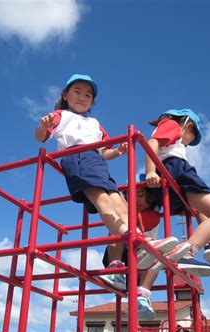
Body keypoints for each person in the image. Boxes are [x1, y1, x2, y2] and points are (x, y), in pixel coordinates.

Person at [35, 74, 132, 289]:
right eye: (77, 92)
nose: (82, 97)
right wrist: (44, 125)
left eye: (88, 95)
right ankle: (133, 240)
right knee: (104, 202)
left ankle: (117, 262)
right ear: (66, 95)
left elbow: (104, 150)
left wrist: (117, 151)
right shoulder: (61, 115)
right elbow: (41, 137)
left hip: (97, 161)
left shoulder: (95, 123)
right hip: (77, 156)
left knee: (122, 205)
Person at [145, 109, 210, 276]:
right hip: (176, 169)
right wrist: (150, 172)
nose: (188, 143)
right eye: (191, 138)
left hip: (170, 176)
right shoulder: (172, 126)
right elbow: (152, 143)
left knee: (200, 210)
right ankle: (188, 251)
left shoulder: (171, 137)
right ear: (188, 125)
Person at [102, 175, 189, 319]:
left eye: (140, 195)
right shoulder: (128, 212)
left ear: (151, 198)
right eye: (130, 195)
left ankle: (142, 295)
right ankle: (115, 270)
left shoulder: (152, 215)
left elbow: (132, 218)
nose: (135, 199)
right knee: (116, 227)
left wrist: (120, 202)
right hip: (118, 255)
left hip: (140, 263)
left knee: (156, 256)